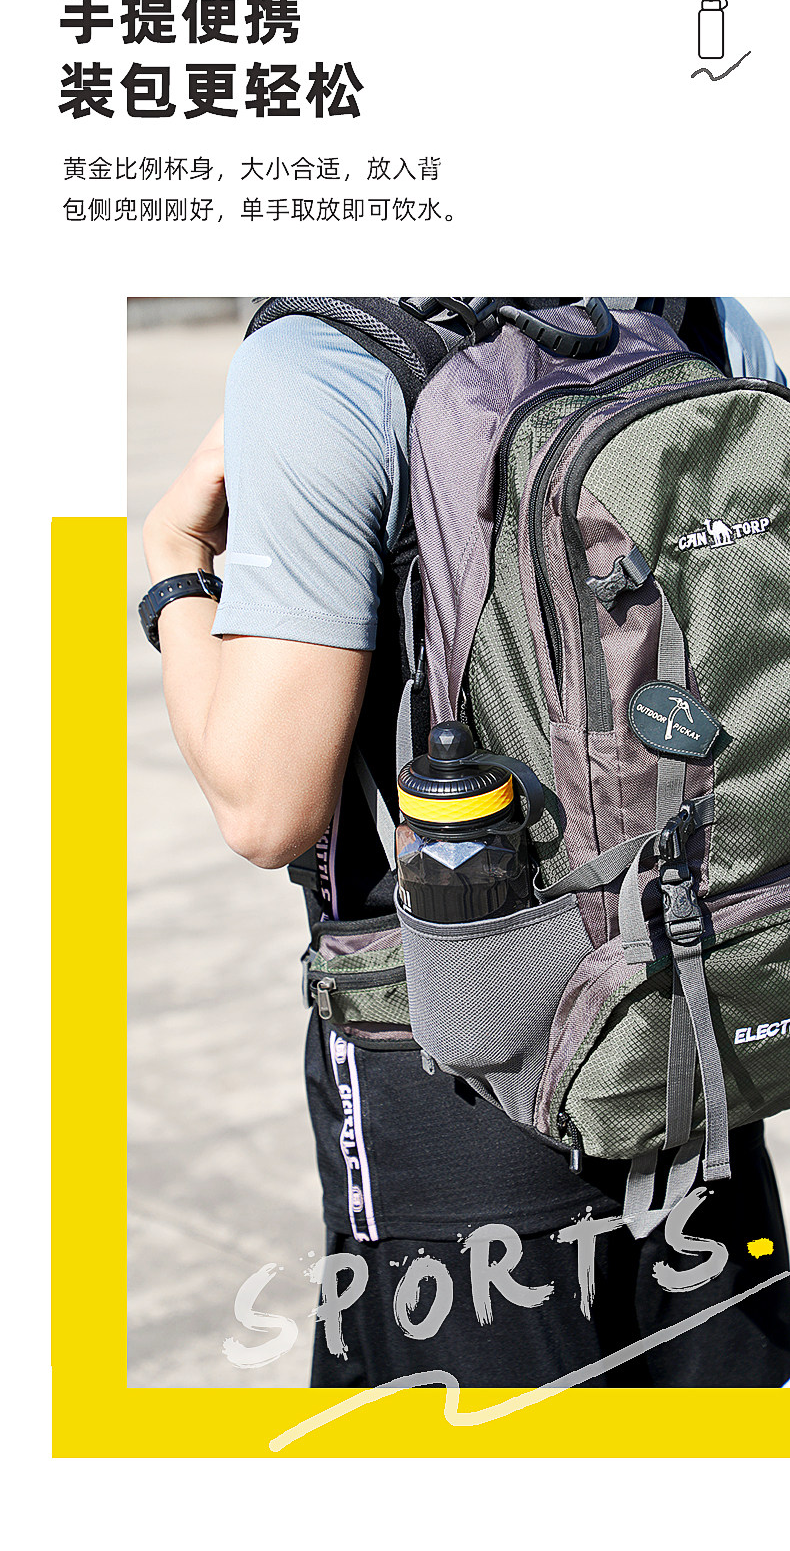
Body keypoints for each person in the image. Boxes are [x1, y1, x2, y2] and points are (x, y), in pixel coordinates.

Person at [142, 297, 790, 1388]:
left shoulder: (323, 359)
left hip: (461, 1078)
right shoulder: (693, 311)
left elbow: (266, 807)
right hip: (699, 1029)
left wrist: (172, 571)